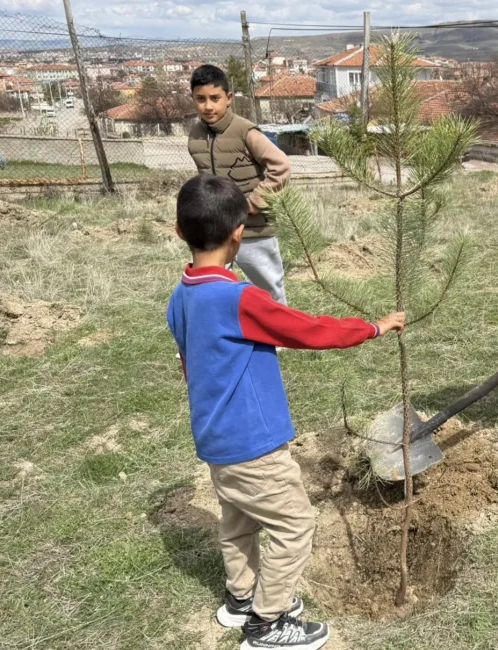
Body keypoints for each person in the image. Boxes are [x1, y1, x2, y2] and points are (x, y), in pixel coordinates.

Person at [166, 175, 405, 650]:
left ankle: (241, 597)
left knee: (237, 521)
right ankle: (267, 623)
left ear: (179, 231)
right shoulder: (239, 298)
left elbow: (190, 364)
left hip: (215, 440)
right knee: (295, 525)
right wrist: (372, 328)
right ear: (239, 234)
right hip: (253, 444)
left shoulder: (181, 297)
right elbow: (307, 330)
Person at [188, 64, 292, 304]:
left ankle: (276, 330)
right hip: (215, 231)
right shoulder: (195, 136)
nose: (208, 106)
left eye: (215, 98)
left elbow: (281, 166)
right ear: (192, 99)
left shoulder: (246, 132)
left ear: (229, 98)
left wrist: (252, 204)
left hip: (254, 230)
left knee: (270, 292)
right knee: (213, 290)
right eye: (201, 99)